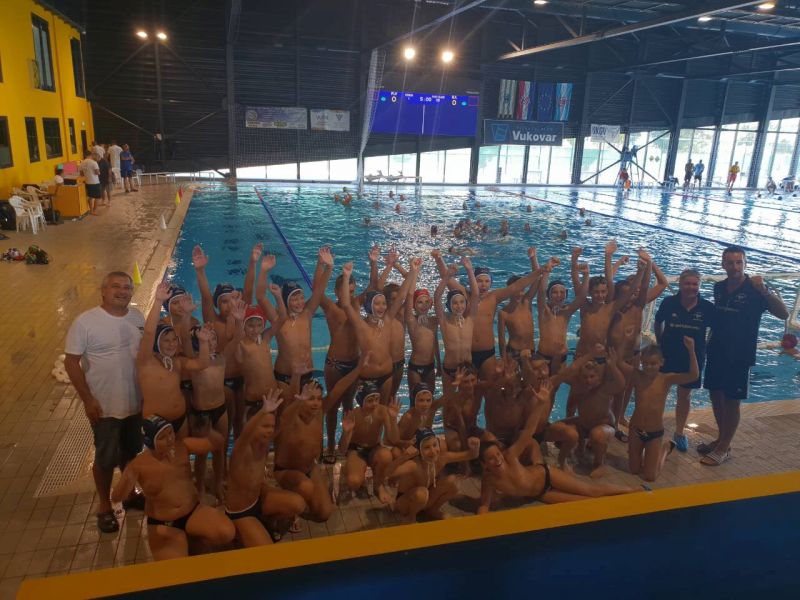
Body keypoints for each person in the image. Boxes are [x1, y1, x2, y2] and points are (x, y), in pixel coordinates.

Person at [64, 272, 146, 533]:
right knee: (105, 457)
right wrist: (88, 399)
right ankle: (104, 506)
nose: (122, 291)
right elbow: (71, 363)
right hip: (104, 404)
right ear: (103, 291)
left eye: (127, 287)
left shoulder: (137, 317)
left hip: (134, 402)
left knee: (131, 451)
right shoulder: (86, 322)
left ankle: (130, 493)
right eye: (115, 287)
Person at [478, 381, 639, 513]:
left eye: (498, 454)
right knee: (585, 502)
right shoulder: (488, 479)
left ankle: (636, 491)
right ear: (484, 464)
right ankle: (620, 508)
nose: (498, 459)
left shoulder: (510, 456)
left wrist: (541, 404)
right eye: (491, 458)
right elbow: (484, 505)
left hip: (548, 475)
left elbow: (529, 431)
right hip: (542, 493)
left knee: (592, 492)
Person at [700, 246, 788, 465]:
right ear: (723, 264)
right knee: (715, 394)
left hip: (740, 353)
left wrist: (764, 290)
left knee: (732, 401)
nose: (735, 267)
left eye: (739, 262)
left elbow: (783, 314)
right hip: (716, 350)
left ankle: (723, 448)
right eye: (730, 263)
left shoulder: (755, 289)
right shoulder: (719, 287)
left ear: (745, 264)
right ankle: (722, 440)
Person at [111, 416, 235, 560]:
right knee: (177, 568)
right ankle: (186, 541)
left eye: (170, 432)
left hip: (193, 512)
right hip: (165, 524)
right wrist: (127, 480)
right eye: (162, 437)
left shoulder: (183, 446)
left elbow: (216, 443)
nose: (170, 439)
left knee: (226, 532)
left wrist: (209, 432)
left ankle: (192, 537)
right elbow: (116, 497)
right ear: (150, 442)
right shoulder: (138, 465)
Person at [225, 389, 306, 547]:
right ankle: (239, 533)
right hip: (240, 513)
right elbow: (245, 433)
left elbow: (284, 421)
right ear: (252, 425)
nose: (269, 430)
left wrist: (300, 402)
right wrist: (263, 411)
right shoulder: (241, 450)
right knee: (267, 550)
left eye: (271, 426)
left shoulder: (264, 443)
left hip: (258, 501)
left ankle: (266, 521)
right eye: (264, 426)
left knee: (298, 504)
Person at [138, 283, 212, 437]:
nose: (172, 344)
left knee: (182, 451)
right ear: (156, 343)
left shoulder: (176, 362)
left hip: (180, 419)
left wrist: (204, 343)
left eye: (174, 340)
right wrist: (158, 301)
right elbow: (149, 332)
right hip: (157, 424)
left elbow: (202, 364)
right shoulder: (146, 362)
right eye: (166, 340)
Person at [618, 340, 698, 481]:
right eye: (645, 363)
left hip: (655, 434)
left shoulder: (666, 379)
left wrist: (691, 350)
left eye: (653, 363)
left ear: (662, 362)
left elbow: (693, 375)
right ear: (641, 362)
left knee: (650, 477)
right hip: (636, 430)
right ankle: (646, 455)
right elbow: (619, 362)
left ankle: (665, 448)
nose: (648, 367)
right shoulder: (637, 375)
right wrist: (625, 341)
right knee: (634, 470)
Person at [654, 269, 715, 452]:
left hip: (692, 357)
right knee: (661, 391)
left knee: (685, 395)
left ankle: (679, 432)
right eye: (687, 283)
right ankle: (655, 426)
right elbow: (658, 322)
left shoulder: (707, 307)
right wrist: (659, 343)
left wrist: (704, 347)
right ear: (680, 284)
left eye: (695, 284)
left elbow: (714, 329)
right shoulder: (668, 302)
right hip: (668, 354)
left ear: (699, 285)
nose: (691, 287)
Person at [387, 430, 480, 523]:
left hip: (425, 499)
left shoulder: (442, 458)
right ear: (419, 450)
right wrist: (403, 457)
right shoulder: (413, 465)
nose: (433, 451)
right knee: (422, 493)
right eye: (427, 448)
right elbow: (388, 473)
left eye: (435, 445)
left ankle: (433, 510)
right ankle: (410, 517)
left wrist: (475, 445)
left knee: (453, 483)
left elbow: (471, 455)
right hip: (405, 504)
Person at [273, 248, 333, 387]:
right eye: (294, 299)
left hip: (307, 373)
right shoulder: (279, 319)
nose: (300, 302)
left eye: (301, 298)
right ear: (286, 301)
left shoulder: (307, 314)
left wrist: (327, 266)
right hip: (285, 376)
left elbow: (319, 291)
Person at [337, 381, 400, 504]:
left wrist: (393, 419)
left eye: (377, 399)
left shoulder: (382, 411)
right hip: (357, 451)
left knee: (386, 456)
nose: (374, 404)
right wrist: (347, 433)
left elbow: (394, 439)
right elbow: (342, 449)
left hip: (374, 449)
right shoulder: (354, 415)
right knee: (354, 482)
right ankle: (351, 471)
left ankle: (378, 485)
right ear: (361, 401)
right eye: (370, 401)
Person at [405, 286, 440, 401]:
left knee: (430, 399)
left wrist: (439, 365)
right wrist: (413, 275)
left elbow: (435, 343)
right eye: (419, 302)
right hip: (415, 367)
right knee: (414, 400)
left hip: (430, 367)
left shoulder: (433, 321)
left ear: (430, 304)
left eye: (426, 302)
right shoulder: (411, 320)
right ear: (413, 305)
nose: (423, 305)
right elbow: (409, 295)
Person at [80, 151, 102, 215]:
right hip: (95, 182)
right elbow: (97, 173)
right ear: (91, 155)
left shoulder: (82, 163)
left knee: (90, 197)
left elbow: (81, 174)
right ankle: (94, 211)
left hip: (87, 182)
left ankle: (91, 210)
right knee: (97, 197)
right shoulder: (94, 162)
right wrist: (98, 172)